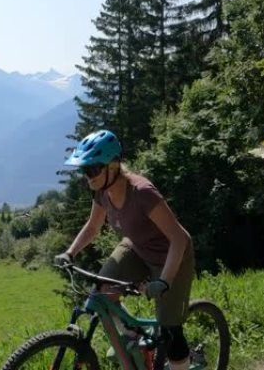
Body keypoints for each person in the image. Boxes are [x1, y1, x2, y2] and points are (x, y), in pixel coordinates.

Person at [54, 129, 195, 370]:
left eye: (92, 170)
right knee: (101, 293)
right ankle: (133, 336)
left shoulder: (142, 193)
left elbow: (179, 239)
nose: (88, 178)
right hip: (137, 247)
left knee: (170, 331)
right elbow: (92, 226)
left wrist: (163, 282)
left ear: (113, 165)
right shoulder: (102, 191)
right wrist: (70, 252)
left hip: (171, 256)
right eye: (84, 171)